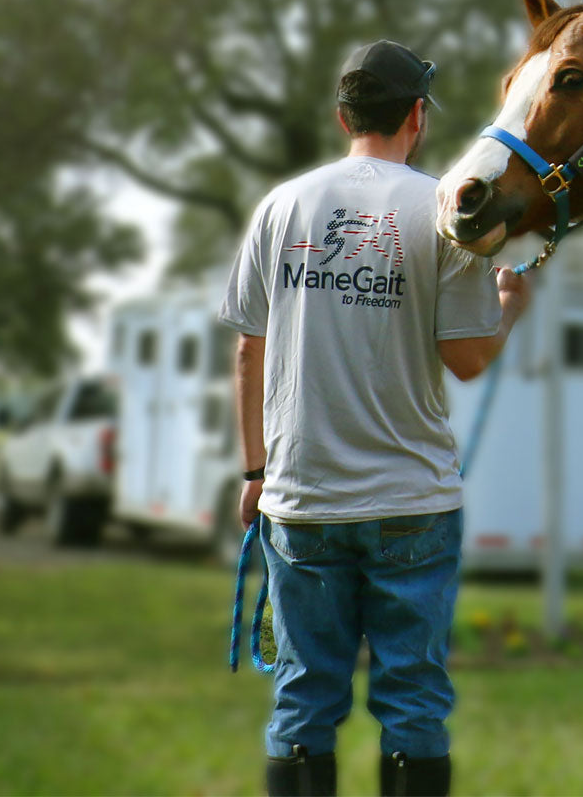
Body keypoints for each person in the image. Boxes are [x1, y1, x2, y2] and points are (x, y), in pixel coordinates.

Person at [218, 39, 530, 797]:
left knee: (302, 699)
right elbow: (467, 360)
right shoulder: (443, 212)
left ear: (342, 115)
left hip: (303, 500)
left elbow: (248, 351)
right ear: (417, 116)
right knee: (414, 699)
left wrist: (256, 471)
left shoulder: (281, 206)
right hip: (411, 505)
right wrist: (509, 308)